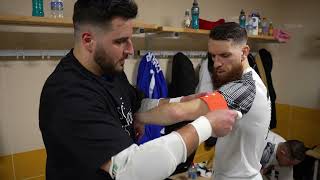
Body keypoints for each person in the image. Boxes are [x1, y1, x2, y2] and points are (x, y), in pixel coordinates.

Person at [39, 0, 238, 180]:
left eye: (130, 38)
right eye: (120, 41)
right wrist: (206, 126)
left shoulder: (109, 70)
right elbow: (133, 171)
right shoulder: (67, 95)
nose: (131, 50)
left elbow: (139, 104)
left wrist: (184, 101)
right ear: (88, 40)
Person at [136, 22, 271, 180]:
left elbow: (178, 112)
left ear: (244, 52)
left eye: (225, 55)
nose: (217, 63)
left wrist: (139, 118)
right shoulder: (250, 81)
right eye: (213, 56)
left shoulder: (243, 89)